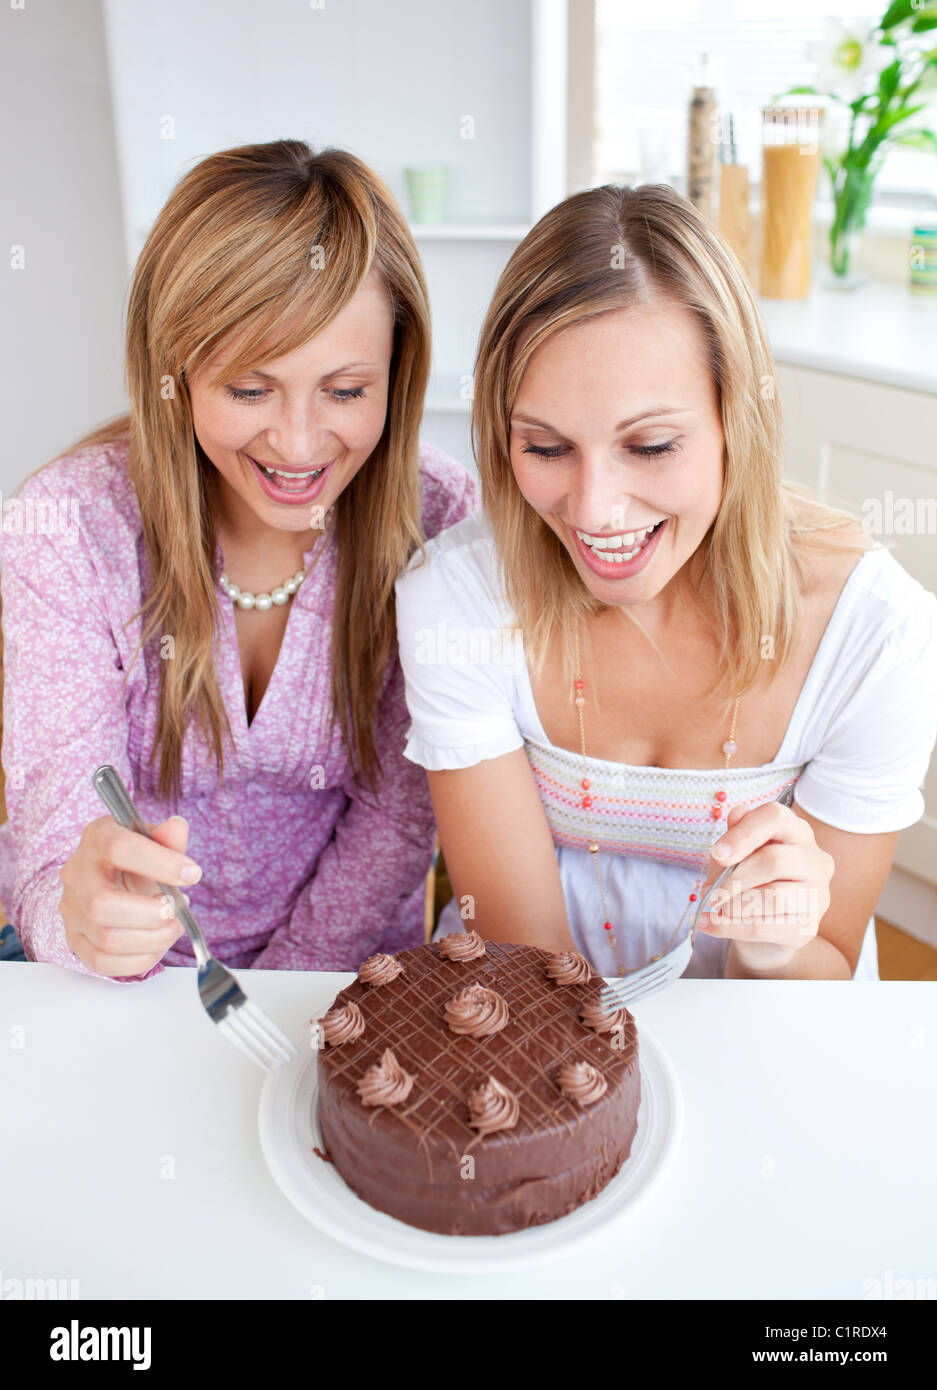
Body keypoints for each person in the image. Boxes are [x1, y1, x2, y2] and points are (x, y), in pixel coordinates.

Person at [394, 182, 937, 980]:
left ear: (734, 421)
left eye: (649, 446)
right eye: (545, 448)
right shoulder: (456, 600)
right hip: (537, 1004)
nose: (594, 509)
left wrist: (775, 940)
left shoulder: (875, 634)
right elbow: (524, 952)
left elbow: (823, 965)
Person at [0, 139, 477, 981]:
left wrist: (262, 1007)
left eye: (346, 390)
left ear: (398, 374)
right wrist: (76, 915)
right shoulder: (63, 525)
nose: (297, 444)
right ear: (173, 374)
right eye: (249, 390)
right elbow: (55, 845)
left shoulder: (442, 518)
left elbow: (398, 824)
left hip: (345, 981)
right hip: (108, 982)